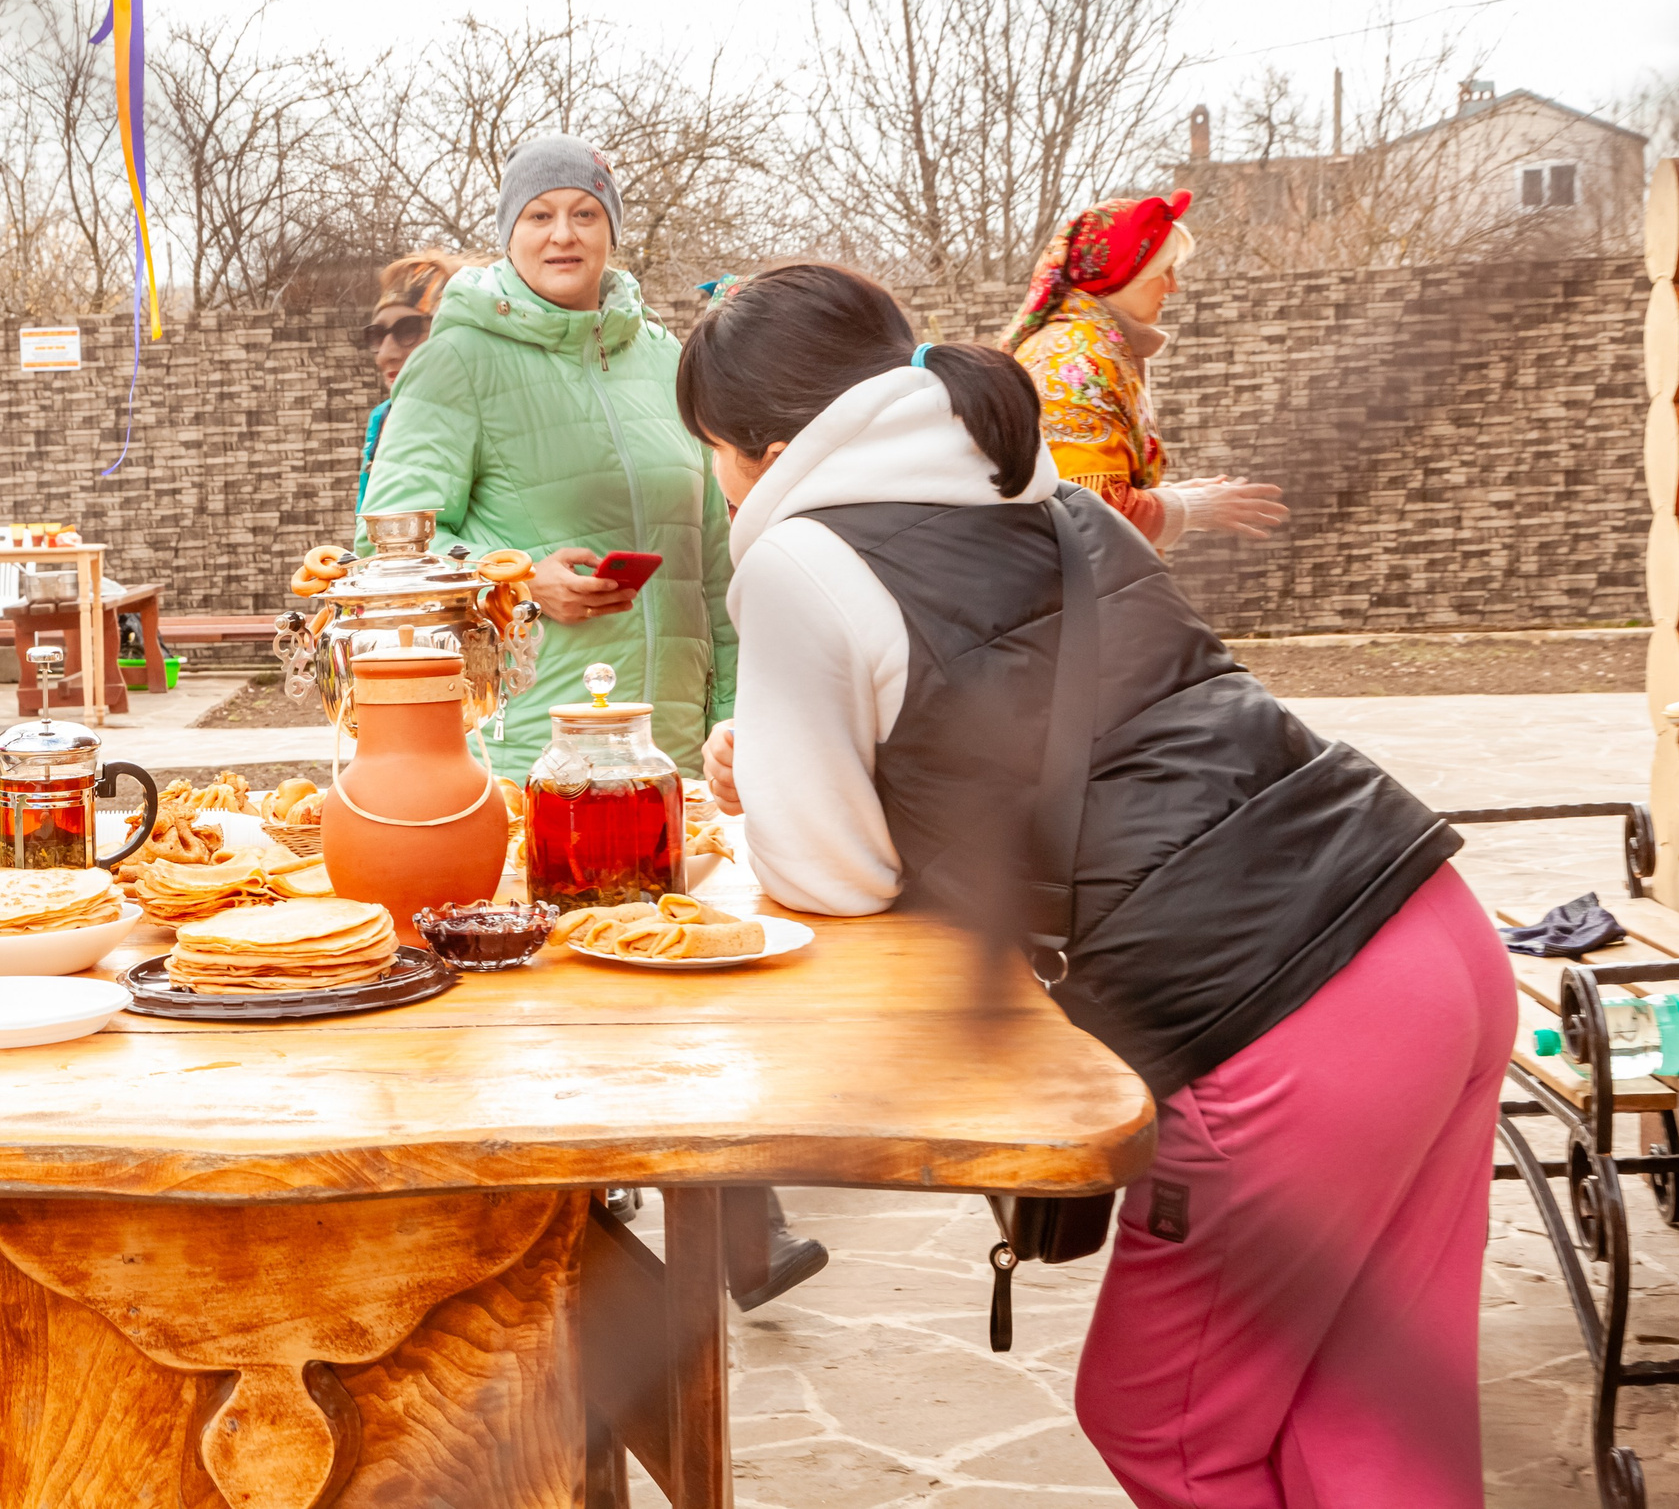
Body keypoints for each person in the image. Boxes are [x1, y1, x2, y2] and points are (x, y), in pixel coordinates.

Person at [687, 261, 1511, 1509]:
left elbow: (831, 881)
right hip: (1426, 933)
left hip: (1271, 1028)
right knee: (1370, 1413)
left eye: (707, 449)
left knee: (1166, 1425)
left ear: (763, 446)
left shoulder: (799, 557)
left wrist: (769, 801)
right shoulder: (1054, 494)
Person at [360, 133, 737, 782]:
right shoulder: (456, 362)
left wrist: (732, 723)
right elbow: (384, 553)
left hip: (670, 754)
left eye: (584, 213)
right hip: (528, 757)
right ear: (510, 232)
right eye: (540, 215)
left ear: (610, 229)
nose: (563, 233)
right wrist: (517, 582)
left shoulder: (666, 360)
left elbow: (717, 572)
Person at [1005, 191, 1285, 550]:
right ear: (1125, 273)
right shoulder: (1072, 359)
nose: (1174, 286)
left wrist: (1173, 495)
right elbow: (1088, 510)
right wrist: (1195, 508)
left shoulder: (1091, 343)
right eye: (1163, 271)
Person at [356, 250, 481, 507]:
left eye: (408, 329)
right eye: (377, 334)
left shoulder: (489, 414)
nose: (384, 356)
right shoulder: (383, 417)